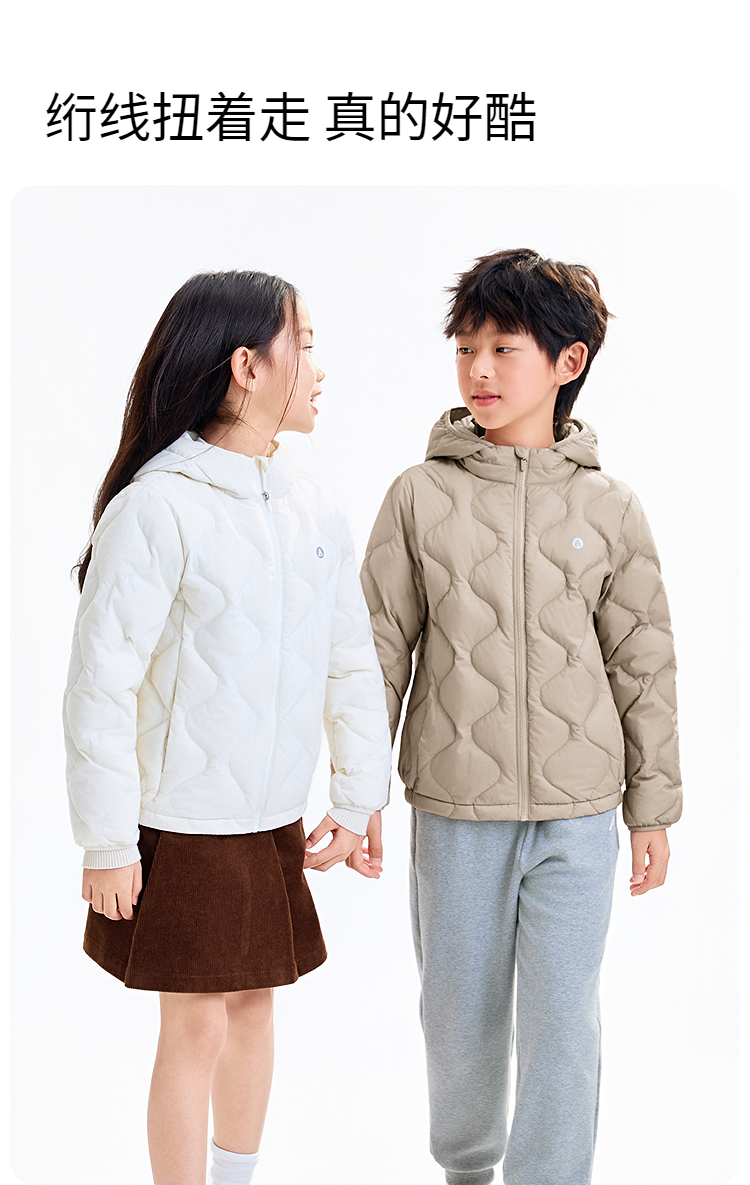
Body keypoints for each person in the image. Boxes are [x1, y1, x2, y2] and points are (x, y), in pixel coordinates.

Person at [358, 248, 681, 1185]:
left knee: (564, 1020)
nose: (480, 370)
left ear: (567, 362)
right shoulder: (418, 496)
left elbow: (644, 662)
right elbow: (377, 650)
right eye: (466, 348)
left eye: (505, 347)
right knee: (457, 1018)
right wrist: (357, 786)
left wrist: (652, 808)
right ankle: (466, 1170)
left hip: (580, 815)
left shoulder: (611, 507)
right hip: (457, 812)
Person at [63, 269, 392, 1185]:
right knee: (197, 1021)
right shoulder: (158, 507)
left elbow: (350, 661)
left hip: (269, 816)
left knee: (253, 1009)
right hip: (184, 820)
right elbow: (99, 687)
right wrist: (106, 839)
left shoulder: (312, 505)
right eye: (305, 345)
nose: (319, 368)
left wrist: (358, 795)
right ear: (248, 366)